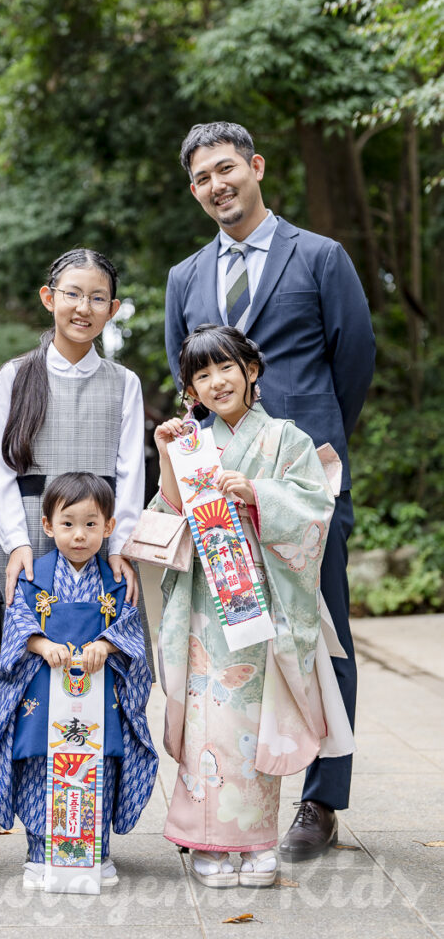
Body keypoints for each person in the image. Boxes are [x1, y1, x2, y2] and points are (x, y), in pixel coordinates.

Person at [165, 122, 375, 859]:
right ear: (193, 190)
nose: (216, 185)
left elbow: (352, 361)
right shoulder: (185, 276)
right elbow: (187, 378)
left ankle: (321, 797)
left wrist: (299, 448)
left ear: (254, 167)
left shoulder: (319, 257)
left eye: (227, 169)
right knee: (224, 638)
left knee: (318, 632)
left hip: (295, 477)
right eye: (202, 178)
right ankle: (228, 793)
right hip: (217, 489)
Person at [152, 325, 354, 888]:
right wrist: (168, 457)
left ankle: (258, 838)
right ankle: (206, 841)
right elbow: (167, 521)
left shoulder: (286, 438)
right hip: (203, 604)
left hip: (261, 598)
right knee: (208, 718)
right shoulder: (193, 442)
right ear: (191, 390)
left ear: (252, 370)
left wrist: (257, 494)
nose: (216, 382)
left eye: (225, 368)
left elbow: (316, 511)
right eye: (201, 375)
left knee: (254, 719)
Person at [0, 247, 154, 685]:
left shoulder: (123, 382)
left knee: (103, 672)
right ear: (48, 297)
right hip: (32, 538)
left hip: (99, 538)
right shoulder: (16, 376)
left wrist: (121, 548)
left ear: (112, 309)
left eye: (98, 298)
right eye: (72, 294)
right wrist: (16, 542)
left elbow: (131, 473)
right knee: (30, 678)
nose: (83, 307)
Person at [0, 472, 157, 889]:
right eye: (68, 523)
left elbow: (130, 627)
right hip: (43, 694)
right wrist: (41, 644)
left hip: (99, 699)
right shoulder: (34, 575)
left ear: (109, 528)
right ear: (47, 526)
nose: (79, 535)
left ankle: (98, 851)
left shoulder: (116, 579)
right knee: (41, 764)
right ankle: (39, 851)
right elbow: (18, 624)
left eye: (91, 524)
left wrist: (108, 645)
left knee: (100, 763)